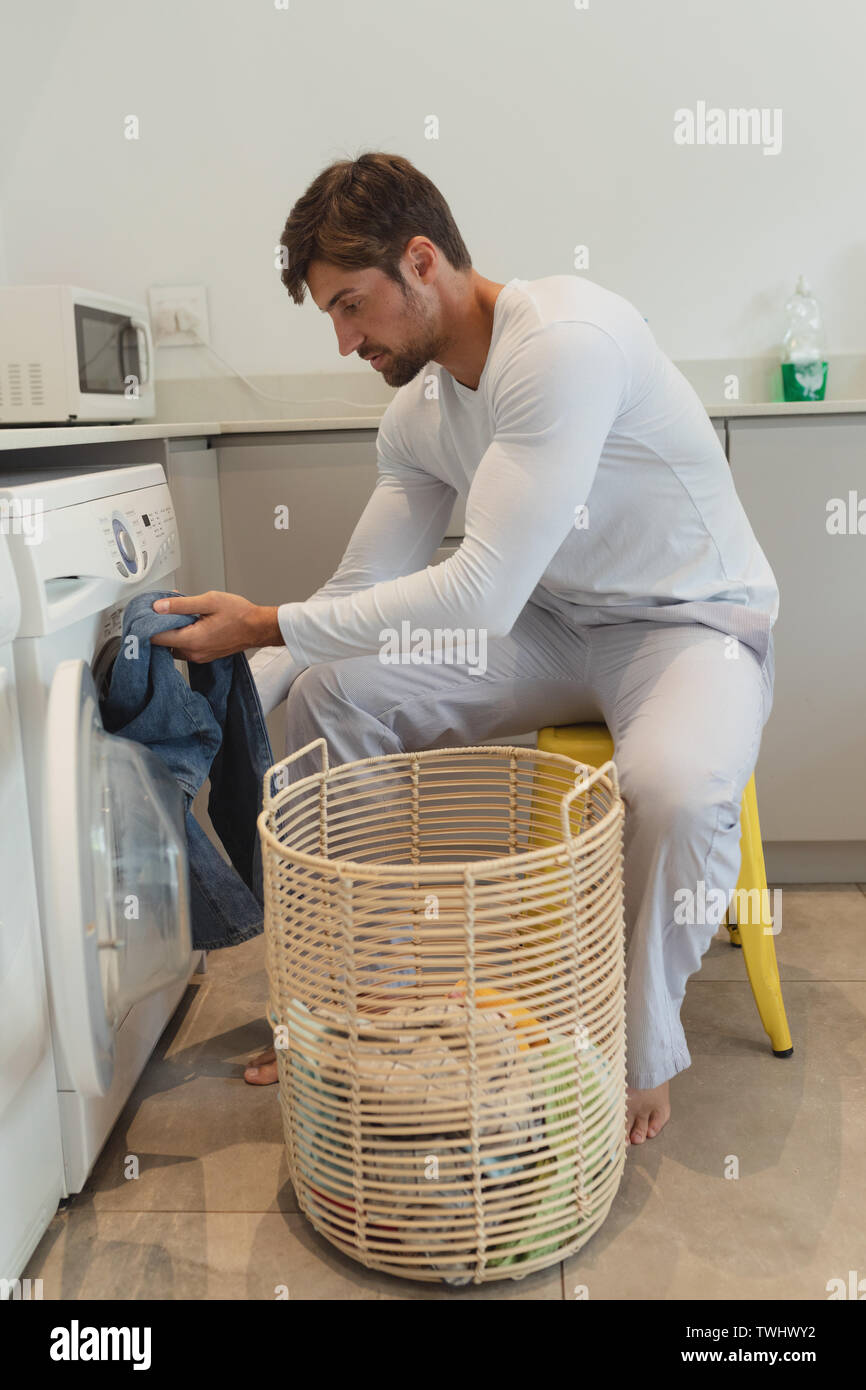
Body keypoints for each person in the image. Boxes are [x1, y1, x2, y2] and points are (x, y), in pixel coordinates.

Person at [151, 151, 778, 1145]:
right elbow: (354, 593)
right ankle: (368, 1007)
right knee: (330, 694)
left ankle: (643, 1045)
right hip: (551, 622)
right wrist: (217, 690)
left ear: (422, 260)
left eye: (352, 306)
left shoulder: (563, 343)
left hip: (684, 623)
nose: (346, 340)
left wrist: (266, 622)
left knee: (674, 786)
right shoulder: (420, 416)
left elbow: (477, 594)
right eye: (331, 318)